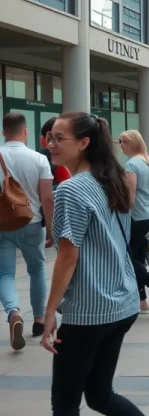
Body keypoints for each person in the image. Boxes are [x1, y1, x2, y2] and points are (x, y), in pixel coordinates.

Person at [41, 112, 143, 415]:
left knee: (65, 404)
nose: (51, 144)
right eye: (50, 137)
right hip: (121, 303)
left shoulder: (72, 189)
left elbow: (68, 255)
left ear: (84, 142)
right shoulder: (111, 179)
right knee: (99, 395)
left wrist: (48, 313)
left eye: (60, 138)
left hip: (89, 311)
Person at [0, 113, 53, 350]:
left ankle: (13, 312)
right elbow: (47, 198)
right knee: (36, 269)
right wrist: (51, 228)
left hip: (3, 225)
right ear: (25, 131)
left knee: (5, 274)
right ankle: (39, 320)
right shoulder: (39, 159)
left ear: (3, 133)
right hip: (32, 223)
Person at [119, 130, 149, 315]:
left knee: (127, 258)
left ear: (132, 143)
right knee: (137, 258)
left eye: (123, 142)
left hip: (137, 218)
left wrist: (120, 212)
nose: (121, 145)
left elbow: (130, 196)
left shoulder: (131, 164)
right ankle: (142, 302)